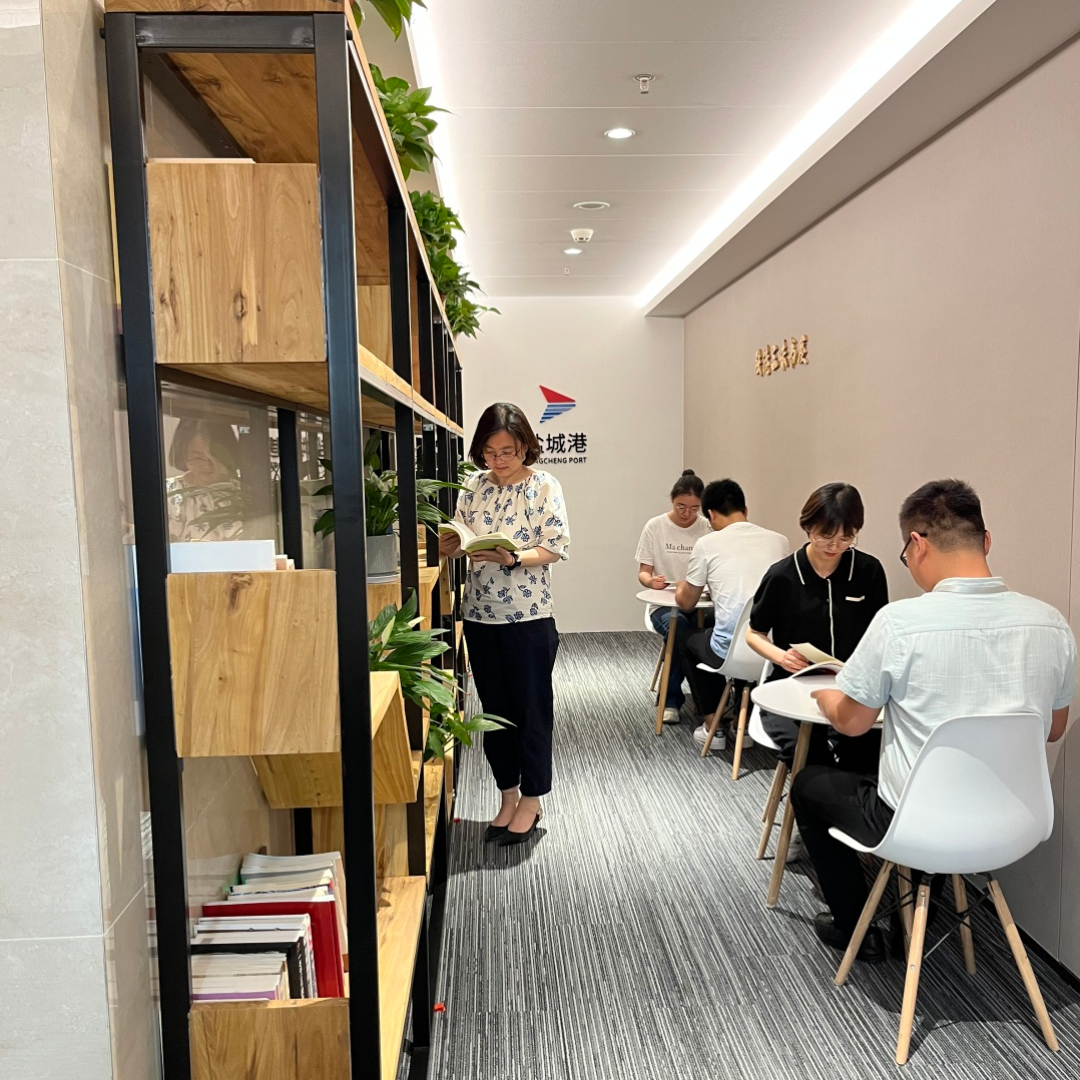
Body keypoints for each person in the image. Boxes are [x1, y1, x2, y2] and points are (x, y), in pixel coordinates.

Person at [795, 479, 1076, 963]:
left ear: (917, 544)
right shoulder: (1051, 623)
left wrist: (826, 698)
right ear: (986, 541)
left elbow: (853, 724)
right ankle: (924, 921)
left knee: (808, 784)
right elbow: (1052, 730)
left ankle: (854, 927)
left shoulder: (900, 624)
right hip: (1017, 825)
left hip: (916, 824)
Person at [439, 402, 570, 846]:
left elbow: (554, 548)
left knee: (530, 710)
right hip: (479, 615)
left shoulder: (543, 485)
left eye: (507, 452)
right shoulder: (473, 485)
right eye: (490, 452)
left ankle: (532, 799)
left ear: (525, 447)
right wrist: (451, 545)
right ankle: (507, 795)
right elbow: (462, 536)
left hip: (529, 618)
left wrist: (513, 558)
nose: (498, 460)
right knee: (494, 714)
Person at [746, 483, 889, 774]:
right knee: (810, 759)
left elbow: (880, 635)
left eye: (846, 538)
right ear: (808, 526)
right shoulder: (782, 575)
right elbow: (754, 634)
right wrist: (781, 657)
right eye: (825, 535)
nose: (834, 547)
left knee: (867, 756)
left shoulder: (868, 571)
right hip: (791, 685)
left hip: (852, 688)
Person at [675, 479, 789, 751]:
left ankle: (713, 726)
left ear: (711, 514)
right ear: (745, 510)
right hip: (773, 652)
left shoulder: (707, 544)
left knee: (686, 637)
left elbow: (687, 602)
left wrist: (681, 587)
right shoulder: (780, 541)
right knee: (727, 627)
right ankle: (743, 724)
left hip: (730, 652)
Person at [635, 470, 713, 723]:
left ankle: (703, 700)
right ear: (671, 500)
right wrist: (652, 582)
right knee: (679, 628)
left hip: (700, 602)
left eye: (694, 508)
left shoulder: (708, 528)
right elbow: (643, 574)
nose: (687, 513)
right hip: (664, 603)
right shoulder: (655, 526)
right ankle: (677, 700)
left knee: (716, 627)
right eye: (681, 506)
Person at [166, 418, 244, 541]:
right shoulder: (168, 493)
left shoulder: (244, 492)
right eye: (198, 458)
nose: (208, 465)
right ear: (183, 455)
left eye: (215, 457)